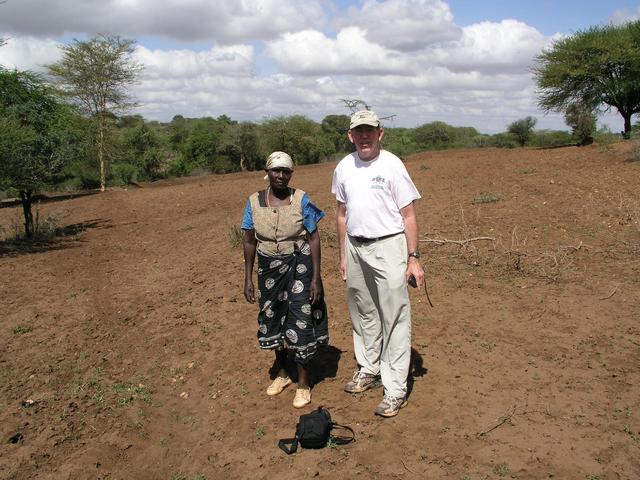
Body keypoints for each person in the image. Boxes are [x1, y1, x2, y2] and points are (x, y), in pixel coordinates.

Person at [331, 110, 425, 418]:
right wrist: (344, 255)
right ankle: (369, 368)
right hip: (355, 247)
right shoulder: (344, 167)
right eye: (359, 131)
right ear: (350, 135)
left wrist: (413, 258)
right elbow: (342, 214)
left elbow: (409, 215)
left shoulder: (393, 165)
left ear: (380, 133)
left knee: (394, 316)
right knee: (363, 311)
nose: (365, 136)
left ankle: (395, 388)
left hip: (388, 246)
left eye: (370, 130)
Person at [241, 151, 329, 408]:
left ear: (291, 174)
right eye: (275, 170)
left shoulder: (301, 198)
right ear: (267, 172)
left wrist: (316, 277)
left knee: (300, 319)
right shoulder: (253, 201)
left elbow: (313, 238)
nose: (280, 175)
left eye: (286, 171)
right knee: (273, 316)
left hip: (298, 264)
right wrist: (247, 277)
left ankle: (303, 382)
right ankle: (282, 373)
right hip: (268, 267)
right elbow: (248, 240)